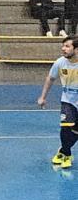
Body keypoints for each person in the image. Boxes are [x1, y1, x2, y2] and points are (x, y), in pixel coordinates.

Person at [37, 35, 78, 169]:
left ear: (76, 49)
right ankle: (66, 154)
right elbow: (50, 78)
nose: (63, 49)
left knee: (75, 131)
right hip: (68, 101)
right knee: (66, 127)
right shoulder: (60, 62)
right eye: (63, 46)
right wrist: (43, 97)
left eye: (67, 46)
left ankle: (62, 151)